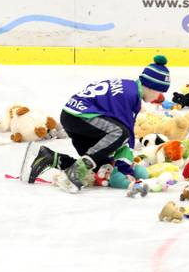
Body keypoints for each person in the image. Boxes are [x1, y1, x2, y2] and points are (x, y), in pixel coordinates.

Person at [27, 55, 171, 193]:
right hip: (80, 116)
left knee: (103, 167)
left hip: (73, 115)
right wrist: (126, 169)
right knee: (121, 133)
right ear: (152, 87)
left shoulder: (128, 86)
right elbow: (125, 137)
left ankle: (50, 158)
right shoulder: (131, 96)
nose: (159, 97)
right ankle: (75, 170)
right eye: (159, 92)